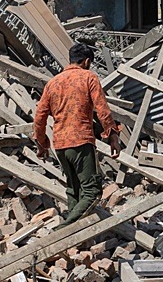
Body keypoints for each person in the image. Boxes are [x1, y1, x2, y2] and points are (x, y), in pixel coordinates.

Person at [33, 43, 121, 226]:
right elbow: (102, 110)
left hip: (60, 145)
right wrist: (113, 136)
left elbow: (39, 117)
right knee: (92, 192)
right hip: (81, 142)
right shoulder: (89, 77)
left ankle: (74, 241)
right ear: (87, 61)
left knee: (74, 190)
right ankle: (64, 230)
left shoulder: (53, 83)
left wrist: (42, 145)